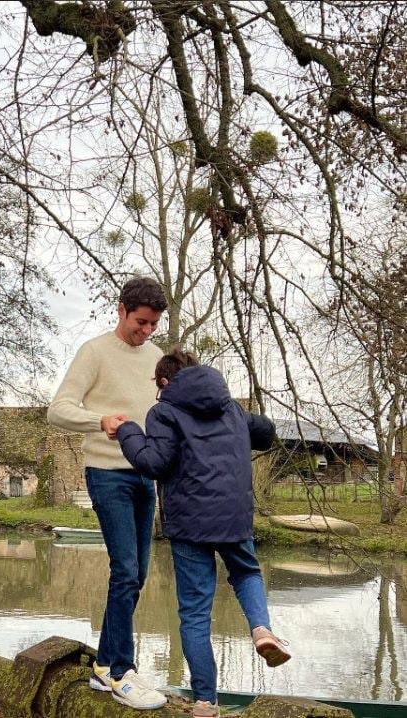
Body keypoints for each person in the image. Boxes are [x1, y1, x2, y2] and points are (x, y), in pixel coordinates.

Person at [115, 347, 290, 718]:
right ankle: (262, 630)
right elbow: (267, 434)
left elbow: (153, 463)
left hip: (189, 523)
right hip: (234, 517)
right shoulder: (230, 407)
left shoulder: (163, 411)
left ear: (164, 381)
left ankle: (205, 702)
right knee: (246, 573)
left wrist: (128, 430)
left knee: (195, 612)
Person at [47, 276, 168, 711]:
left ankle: (103, 664)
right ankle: (121, 673)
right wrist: (100, 421)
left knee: (137, 576)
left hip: (145, 477)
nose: (146, 331)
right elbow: (58, 409)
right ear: (121, 310)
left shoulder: (156, 357)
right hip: (107, 474)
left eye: (153, 324)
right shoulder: (94, 352)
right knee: (125, 570)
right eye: (140, 322)